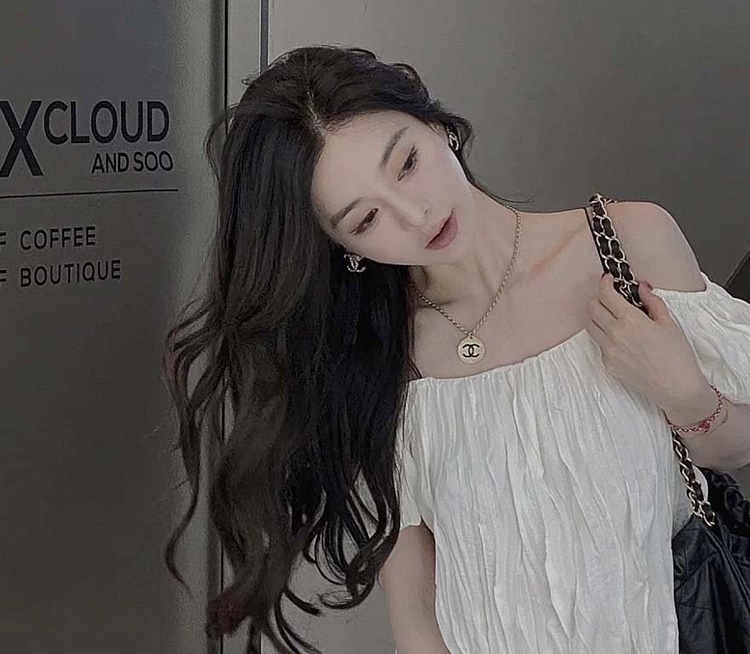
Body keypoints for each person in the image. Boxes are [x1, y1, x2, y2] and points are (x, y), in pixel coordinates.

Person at [161, 44, 750, 654]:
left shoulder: (624, 246)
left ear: (438, 126)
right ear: (345, 249)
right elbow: (415, 611)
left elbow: (737, 448)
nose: (416, 214)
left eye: (407, 163)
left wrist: (686, 395)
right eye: (366, 220)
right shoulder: (378, 361)